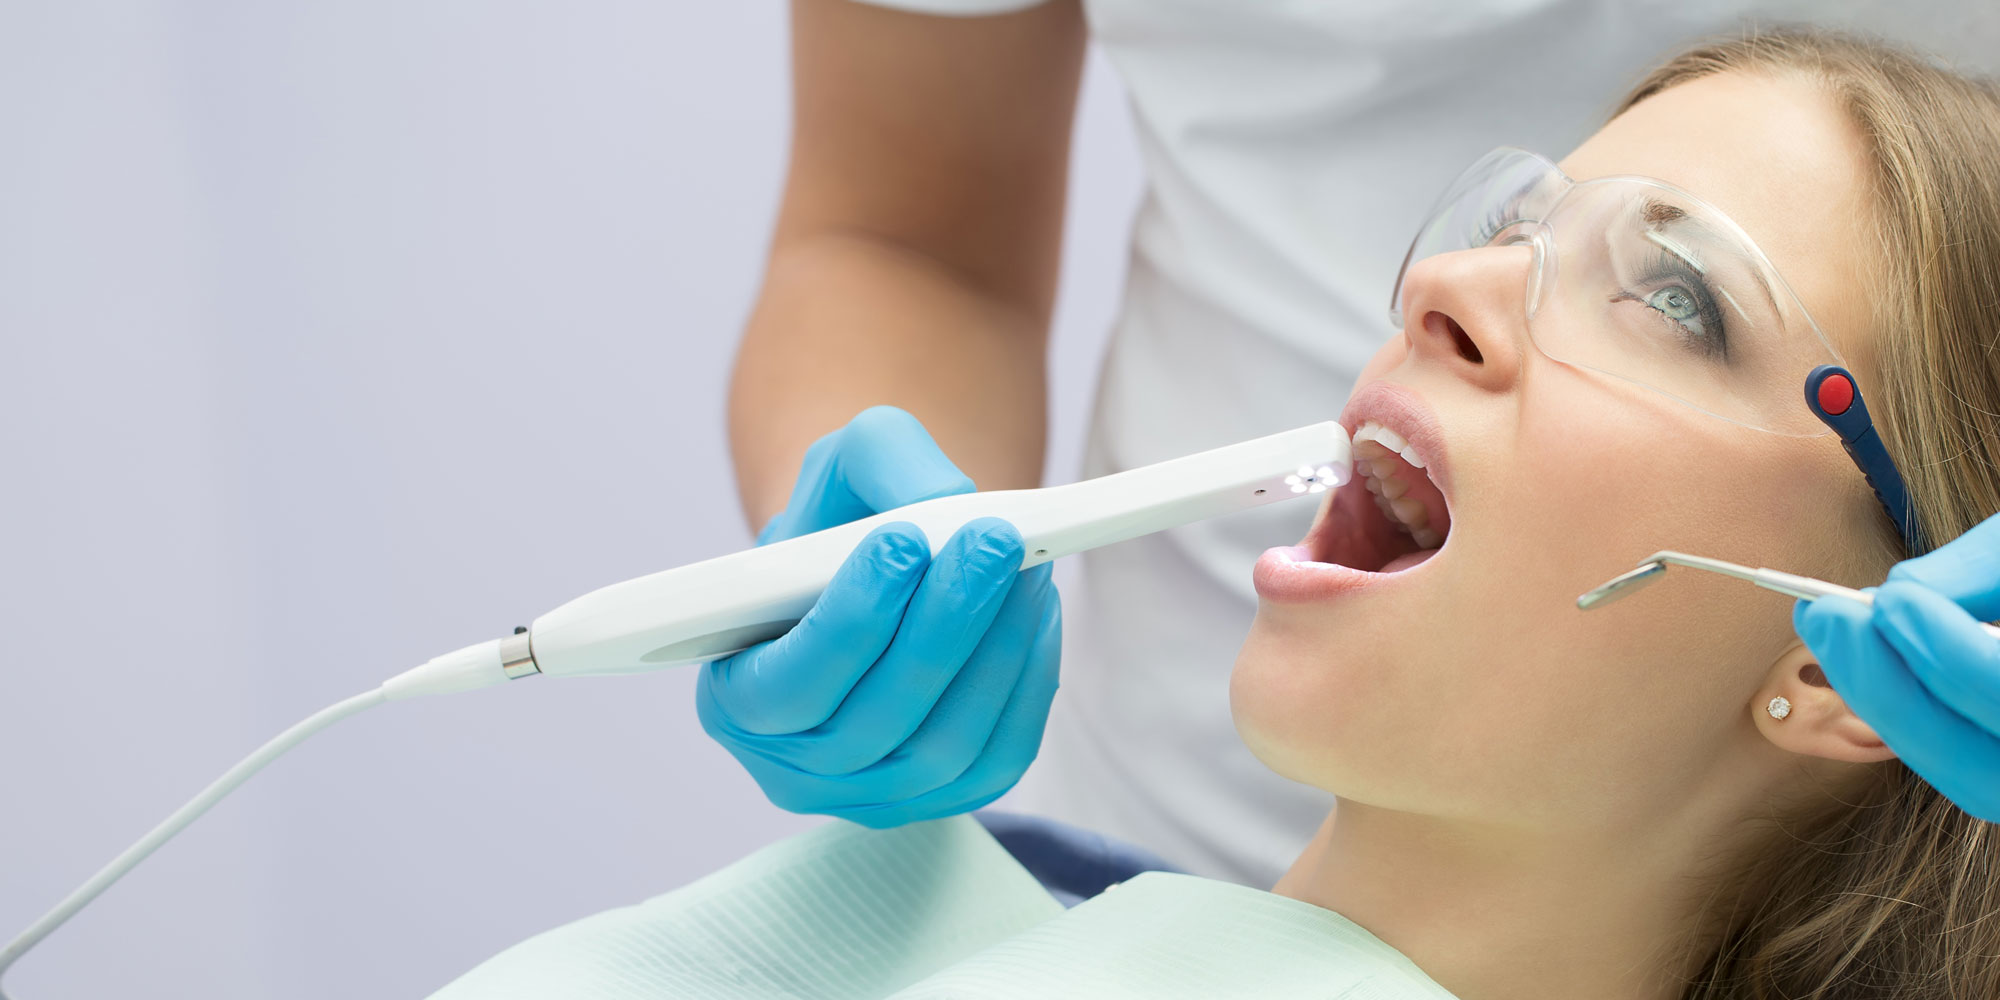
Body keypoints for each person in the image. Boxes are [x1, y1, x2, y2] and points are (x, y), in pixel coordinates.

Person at [444, 31, 2000, 999]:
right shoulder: (887, 928)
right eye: (1509, 223)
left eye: (1675, 296)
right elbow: (899, 226)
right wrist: (875, 609)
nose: (1442, 286)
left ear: (1842, 656)